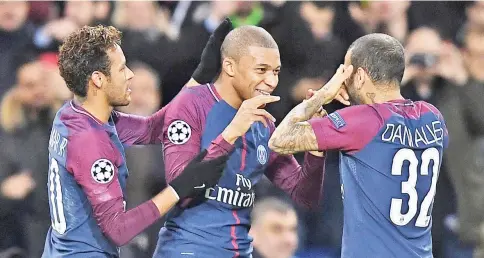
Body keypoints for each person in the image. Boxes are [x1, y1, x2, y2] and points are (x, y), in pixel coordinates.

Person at [42, 21, 233, 258]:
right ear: (98, 79)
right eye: (122, 69)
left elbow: (154, 128)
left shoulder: (73, 114)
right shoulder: (90, 143)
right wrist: (180, 187)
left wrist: (200, 77)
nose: (130, 75)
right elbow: (119, 231)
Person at [269, 33, 449, 258]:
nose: (343, 80)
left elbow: (279, 139)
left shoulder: (362, 120)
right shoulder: (433, 117)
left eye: (345, 72)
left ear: (360, 76)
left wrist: (324, 94)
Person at [154, 25, 326, 258]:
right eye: (261, 70)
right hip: (188, 250)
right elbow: (179, 185)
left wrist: (317, 145)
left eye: (276, 71)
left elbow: (305, 195)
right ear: (229, 66)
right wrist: (232, 132)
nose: (271, 81)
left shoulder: (263, 124)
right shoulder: (191, 105)